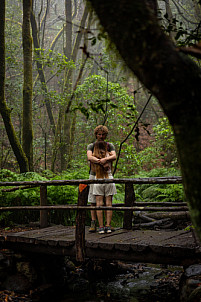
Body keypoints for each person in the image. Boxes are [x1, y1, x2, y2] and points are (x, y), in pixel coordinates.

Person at [87, 125, 116, 232]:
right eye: (99, 134)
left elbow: (114, 156)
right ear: (96, 135)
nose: (101, 136)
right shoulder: (91, 146)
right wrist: (102, 162)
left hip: (106, 175)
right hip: (94, 174)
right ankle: (94, 222)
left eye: (103, 134)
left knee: (106, 200)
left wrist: (104, 160)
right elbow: (89, 157)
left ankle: (106, 224)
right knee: (93, 200)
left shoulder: (109, 145)